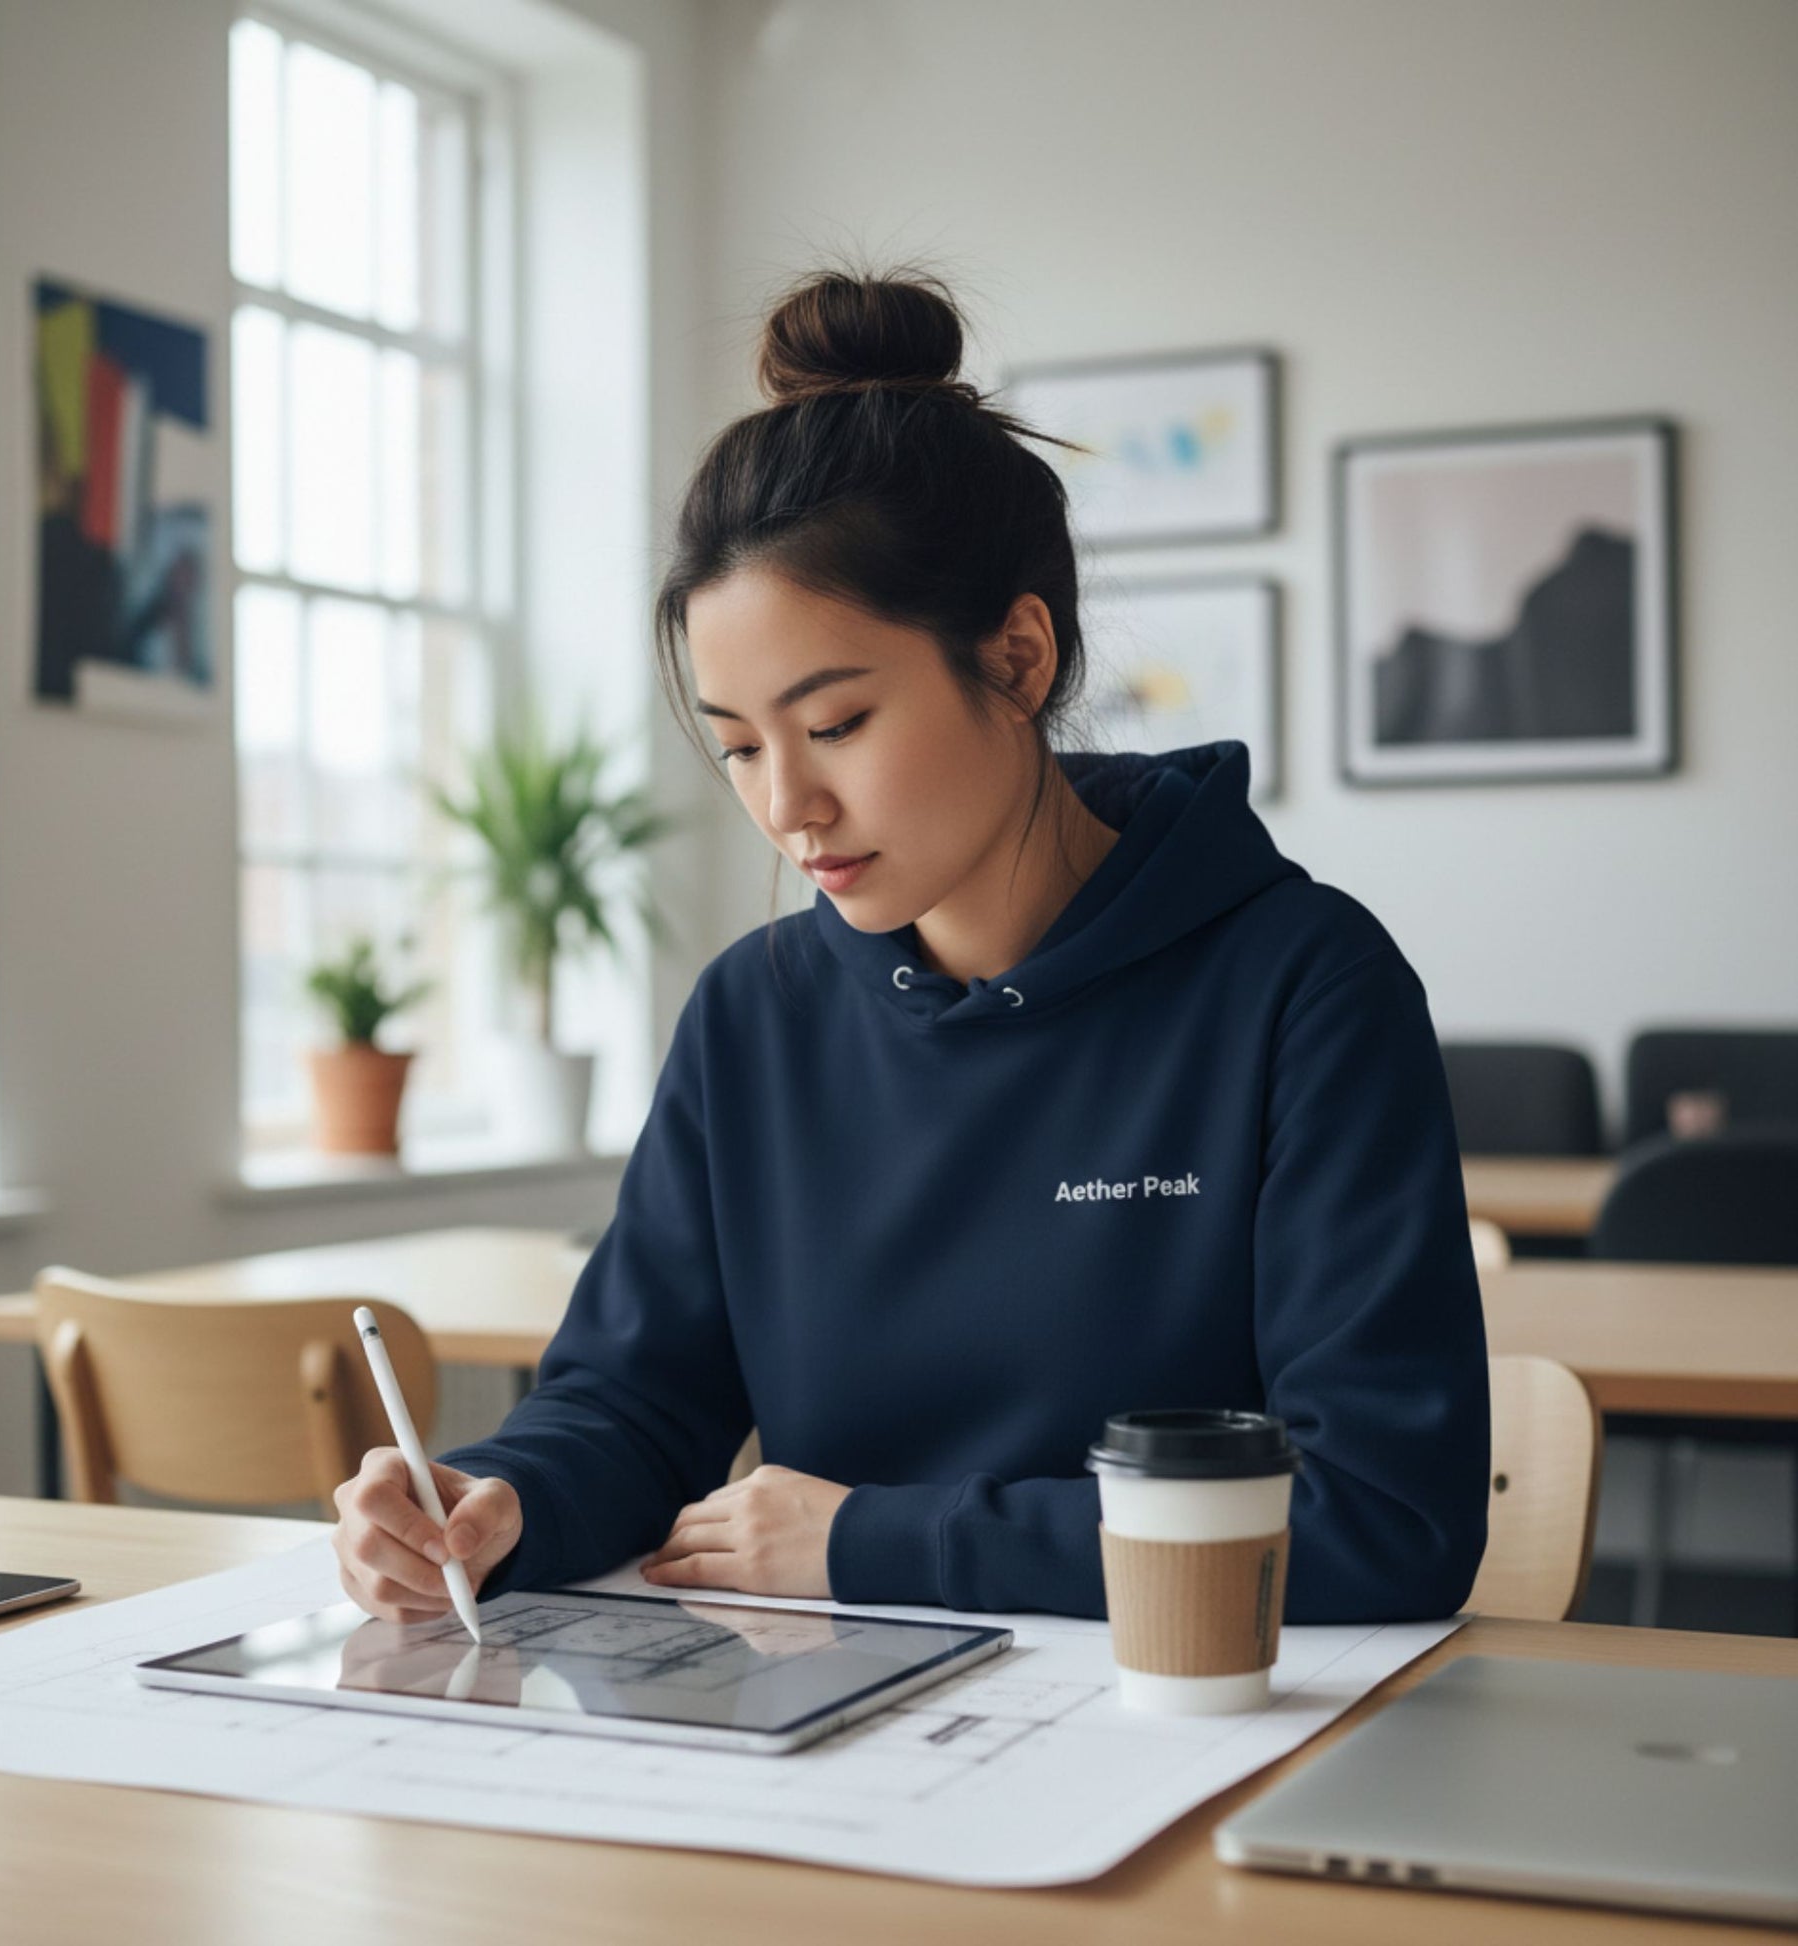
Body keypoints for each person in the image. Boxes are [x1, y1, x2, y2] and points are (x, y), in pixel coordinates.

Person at [332, 267, 1489, 1629]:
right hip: (833, 1733)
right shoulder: (753, 1014)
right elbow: (638, 1403)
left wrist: (879, 1541)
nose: (785, 805)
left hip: (1189, 1720)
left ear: (1015, 658)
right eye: (740, 744)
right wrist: (497, 1498)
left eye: (834, 725)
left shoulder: (1303, 987)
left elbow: (1384, 1516)